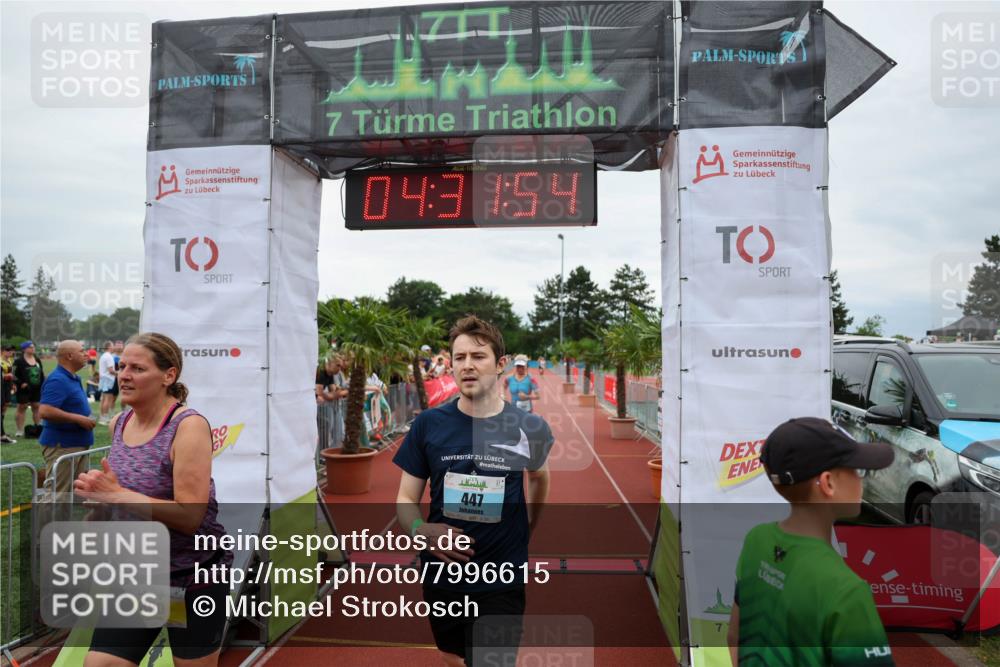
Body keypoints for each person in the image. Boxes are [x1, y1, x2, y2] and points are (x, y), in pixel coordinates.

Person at [394, 316, 553, 667]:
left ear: (500, 365)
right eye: (460, 357)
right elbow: (406, 499)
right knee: (452, 655)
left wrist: (527, 527)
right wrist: (422, 531)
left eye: (478, 357)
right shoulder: (428, 425)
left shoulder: (529, 427)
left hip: (500, 577)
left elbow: (539, 478)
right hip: (442, 577)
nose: (467, 365)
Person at [74, 332, 232, 666]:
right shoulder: (119, 423)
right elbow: (119, 504)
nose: (125, 375)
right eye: (122, 366)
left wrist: (117, 493)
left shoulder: (188, 427)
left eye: (138, 368)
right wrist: (100, 505)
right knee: (99, 664)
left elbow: (190, 517)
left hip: (192, 578)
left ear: (168, 375)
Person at [727, 417, 896, 666]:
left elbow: (734, 638)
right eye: (858, 470)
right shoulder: (846, 591)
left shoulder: (756, 540)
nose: (862, 480)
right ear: (828, 483)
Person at [37, 340, 97, 496]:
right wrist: (78, 419)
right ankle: (48, 521)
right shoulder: (58, 379)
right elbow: (45, 411)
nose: (86, 354)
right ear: (70, 356)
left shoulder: (72, 377)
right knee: (58, 495)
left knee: (71, 493)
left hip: (76, 444)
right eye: (82, 351)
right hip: (63, 445)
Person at [14, 340, 45, 437]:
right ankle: (20, 430)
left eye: (33, 347)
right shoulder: (18, 361)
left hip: (36, 388)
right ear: (24, 349)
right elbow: (13, 375)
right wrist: (21, 383)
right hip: (24, 389)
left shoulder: (37, 360)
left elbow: (41, 373)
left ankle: (38, 428)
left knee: (36, 406)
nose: (33, 348)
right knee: (22, 407)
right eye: (30, 347)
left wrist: (43, 384)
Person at [97, 341, 117, 424]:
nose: (114, 347)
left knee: (104, 399)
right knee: (107, 399)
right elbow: (111, 370)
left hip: (103, 378)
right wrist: (120, 373)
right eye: (112, 346)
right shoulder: (109, 356)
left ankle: (102, 417)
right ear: (109, 347)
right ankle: (104, 418)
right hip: (108, 379)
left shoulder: (103, 356)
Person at [1, 345, 16, 444]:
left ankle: (2, 433)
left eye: (11, 350)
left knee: (4, 409)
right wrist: (6, 376)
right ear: (2, 351)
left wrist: (13, 384)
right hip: (1, 386)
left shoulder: (10, 360)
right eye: (8, 350)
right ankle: (2, 435)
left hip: (7, 386)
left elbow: (11, 374)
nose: (10, 352)